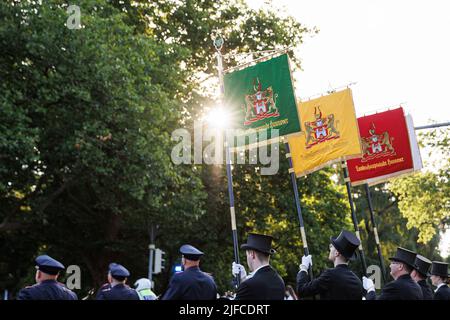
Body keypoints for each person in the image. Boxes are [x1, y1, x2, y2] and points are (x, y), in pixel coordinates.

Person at [296, 230, 363, 300]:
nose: (330, 248)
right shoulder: (358, 282)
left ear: (337, 253)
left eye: (332, 246)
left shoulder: (330, 275)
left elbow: (301, 290)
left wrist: (303, 268)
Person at [232, 233, 285, 300]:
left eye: (247, 255)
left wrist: (242, 283)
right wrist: (243, 280)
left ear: (252, 254)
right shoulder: (279, 281)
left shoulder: (248, 285)